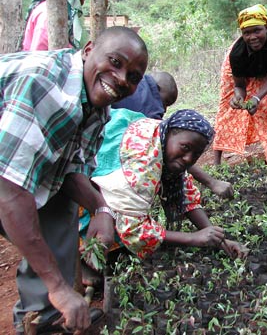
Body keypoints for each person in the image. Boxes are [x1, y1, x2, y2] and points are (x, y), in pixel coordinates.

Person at [0, 26, 148, 334]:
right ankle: (54, 297)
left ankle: (42, 315)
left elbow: (71, 169)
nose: (122, 79)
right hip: (5, 179)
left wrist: (102, 208)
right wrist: (58, 286)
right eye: (115, 62)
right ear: (88, 49)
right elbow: (9, 191)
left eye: (133, 76)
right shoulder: (44, 85)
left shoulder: (98, 108)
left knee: (59, 199)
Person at [79, 109, 247, 281]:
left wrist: (217, 239)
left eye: (196, 154)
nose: (188, 159)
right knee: (105, 225)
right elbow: (135, 230)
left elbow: (186, 196)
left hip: (116, 168)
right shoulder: (142, 167)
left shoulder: (162, 138)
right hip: (84, 178)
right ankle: (82, 260)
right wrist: (192, 238)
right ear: (170, 134)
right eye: (185, 148)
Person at [112, 71, 234, 199]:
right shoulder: (151, 105)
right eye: (165, 102)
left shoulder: (134, 83)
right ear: (157, 89)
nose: (164, 110)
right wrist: (212, 182)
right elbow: (163, 147)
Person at [213, 4, 267, 166]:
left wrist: (256, 97)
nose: (252, 37)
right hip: (239, 70)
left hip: (265, 71)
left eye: (257, 30)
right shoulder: (237, 54)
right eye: (246, 33)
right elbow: (239, 86)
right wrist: (238, 97)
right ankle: (217, 163)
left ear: (266, 28)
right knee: (227, 107)